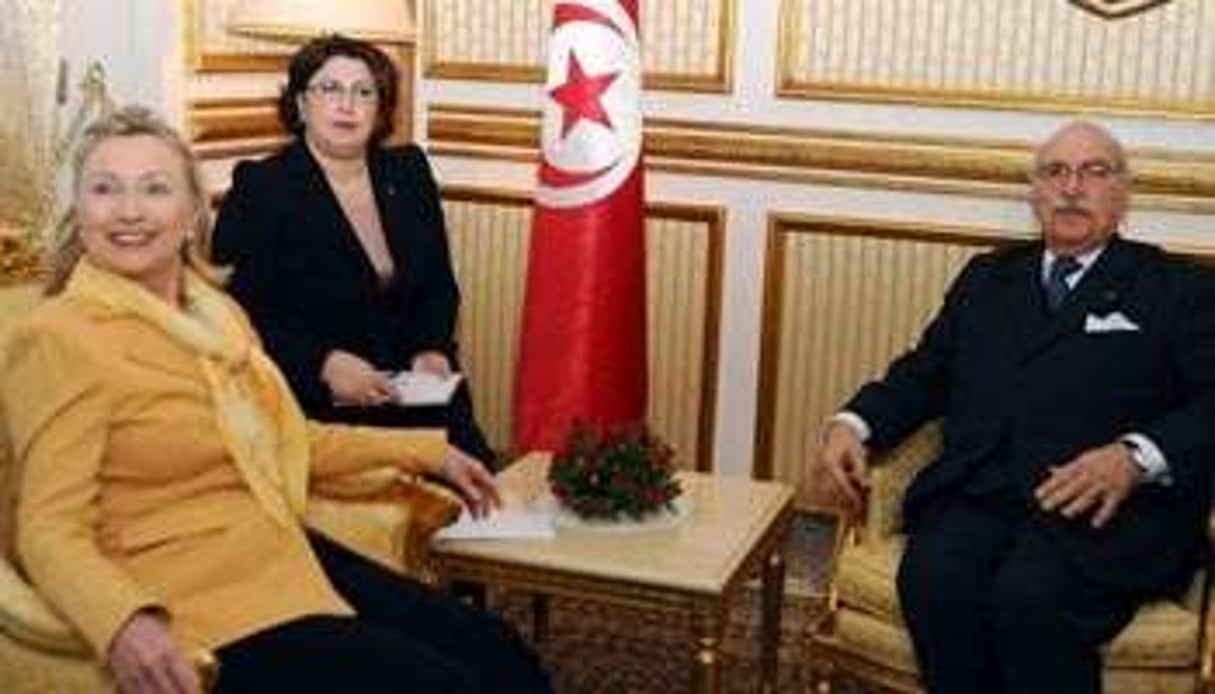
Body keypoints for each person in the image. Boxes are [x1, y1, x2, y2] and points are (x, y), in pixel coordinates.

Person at [0, 105, 552, 693]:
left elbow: (286, 435)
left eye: (154, 189)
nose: (128, 211)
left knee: (499, 653)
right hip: (187, 595)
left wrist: (430, 452)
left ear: (191, 213)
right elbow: (47, 528)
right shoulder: (59, 336)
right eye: (104, 189)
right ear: (79, 211)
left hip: (276, 552)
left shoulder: (217, 314)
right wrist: (124, 622)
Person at [814, 120, 1215, 693]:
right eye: (1055, 172)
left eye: (1094, 172)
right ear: (1035, 195)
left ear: (1124, 196)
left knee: (1030, 599)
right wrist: (853, 422)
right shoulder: (988, 278)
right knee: (935, 579)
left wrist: (1137, 457)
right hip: (983, 493)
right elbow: (926, 371)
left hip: (1104, 509)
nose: (1072, 187)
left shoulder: (1178, 288)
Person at [211, 34, 495, 469]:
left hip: (420, 392)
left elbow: (438, 285)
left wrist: (430, 348)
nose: (348, 105)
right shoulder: (262, 188)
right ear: (301, 104)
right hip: (323, 405)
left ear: (380, 108)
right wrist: (323, 364)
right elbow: (235, 314)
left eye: (364, 92)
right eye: (330, 89)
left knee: (478, 509)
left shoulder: (409, 170)